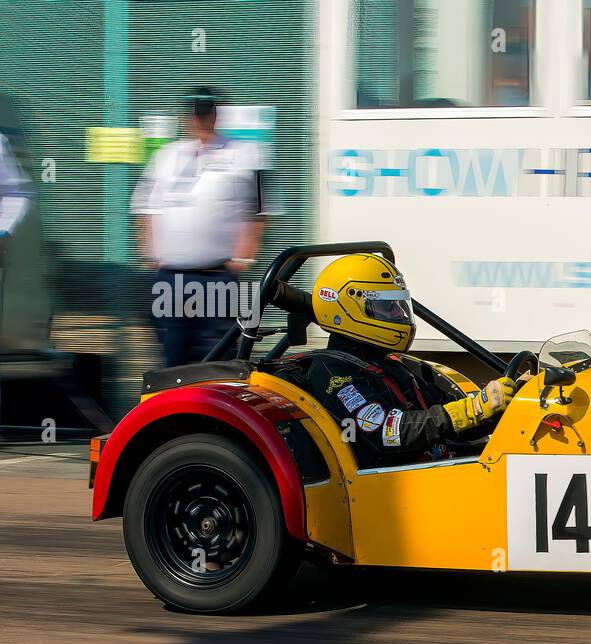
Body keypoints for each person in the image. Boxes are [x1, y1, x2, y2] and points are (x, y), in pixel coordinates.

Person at [285, 252, 525, 467]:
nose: (400, 314)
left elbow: (452, 420)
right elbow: (386, 431)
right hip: (388, 492)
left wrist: (505, 405)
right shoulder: (333, 373)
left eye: (400, 305)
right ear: (350, 309)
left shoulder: (391, 363)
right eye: (388, 307)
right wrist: (471, 409)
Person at [131, 87, 268, 367]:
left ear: (217, 115)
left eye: (207, 113)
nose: (201, 120)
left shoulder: (245, 154)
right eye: (196, 114)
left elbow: (258, 211)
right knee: (172, 359)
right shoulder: (166, 156)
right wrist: (149, 255)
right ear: (187, 117)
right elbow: (146, 208)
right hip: (171, 278)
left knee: (218, 359)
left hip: (216, 278)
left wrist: (242, 258)